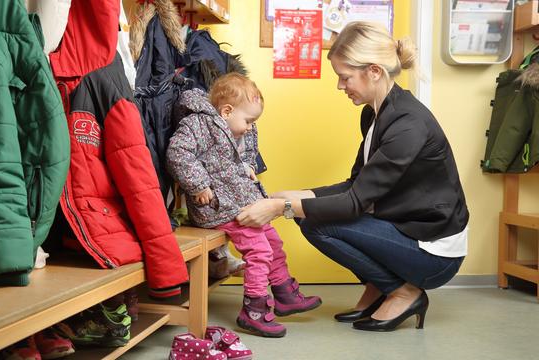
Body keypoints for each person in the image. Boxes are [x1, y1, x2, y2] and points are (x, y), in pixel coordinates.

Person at [235, 21, 469, 332]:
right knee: (309, 214)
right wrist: (297, 194)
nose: (340, 86)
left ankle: (402, 291)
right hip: (407, 230)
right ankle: (382, 286)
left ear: (373, 71)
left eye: (345, 77)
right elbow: (356, 185)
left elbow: (356, 201)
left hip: (434, 253)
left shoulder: (408, 124)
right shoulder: (375, 113)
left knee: (317, 223)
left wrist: (282, 208)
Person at [167, 73, 322, 338]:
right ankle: (254, 309)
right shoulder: (198, 125)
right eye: (248, 121)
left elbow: (241, 154)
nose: (250, 127)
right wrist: (200, 185)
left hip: (239, 201)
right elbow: (177, 153)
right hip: (217, 206)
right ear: (226, 111)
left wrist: (248, 166)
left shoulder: (238, 126)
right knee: (259, 250)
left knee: (272, 240)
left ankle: (283, 291)